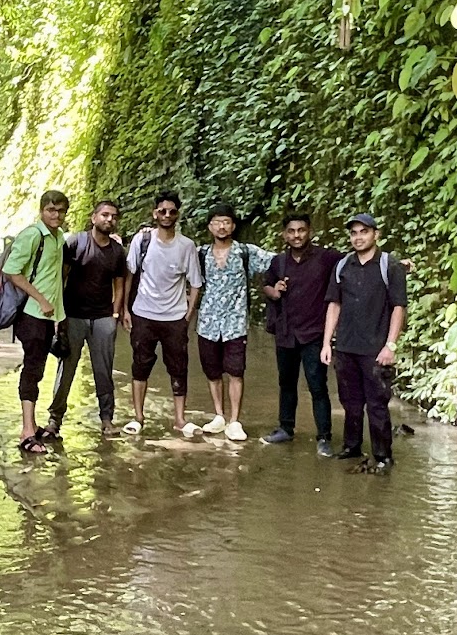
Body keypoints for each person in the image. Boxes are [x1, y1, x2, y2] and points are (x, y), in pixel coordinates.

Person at [321, 212, 407, 472]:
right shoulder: (343, 266)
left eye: (364, 232)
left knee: (378, 405)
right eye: (354, 233)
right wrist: (327, 342)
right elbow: (334, 305)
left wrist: (390, 345)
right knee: (350, 402)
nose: (358, 237)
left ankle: (383, 456)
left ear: (375, 235)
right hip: (346, 347)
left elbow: (398, 308)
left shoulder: (389, 266)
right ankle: (352, 447)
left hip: (375, 350)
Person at [260, 214, 341, 457]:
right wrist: (274, 291)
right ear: (284, 235)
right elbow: (266, 284)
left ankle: (324, 437)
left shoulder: (326, 258)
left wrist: (395, 265)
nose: (297, 235)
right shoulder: (279, 262)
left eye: (301, 230)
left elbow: (357, 261)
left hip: (313, 333)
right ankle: (286, 428)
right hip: (286, 332)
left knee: (317, 386)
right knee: (286, 383)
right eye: (292, 231)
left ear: (310, 232)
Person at [124, 190, 203, 438]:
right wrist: (125, 309)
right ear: (154, 213)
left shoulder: (186, 246)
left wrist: (188, 315)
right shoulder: (142, 240)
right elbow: (129, 274)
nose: (167, 215)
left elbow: (195, 284)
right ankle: (138, 417)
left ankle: (180, 419)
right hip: (143, 314)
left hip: (174, 318)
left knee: (179, 368)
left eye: (171, 211)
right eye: (162, 211)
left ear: (177, 215)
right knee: (140, 365)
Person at [45, 200, 127, 437]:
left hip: (102, 318)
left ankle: (107, 420)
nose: (108, 219)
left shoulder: (117, 252)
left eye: (113, 216)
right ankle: (54, 420)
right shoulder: (75, 242)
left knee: (104, 370)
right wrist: (59, 315)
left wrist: (115, 313)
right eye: (104, 215)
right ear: (93, 218)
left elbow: (119, 284)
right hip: (73, 316)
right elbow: (61, 278)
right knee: (66, 370)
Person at [194, 203, 272, 441]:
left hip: (235, 323)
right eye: (217, 221)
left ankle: (235, 421)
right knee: (212, 372)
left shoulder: (246, 252)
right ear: (210, 226)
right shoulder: (200, 254)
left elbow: (279, 263)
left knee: (236, 371)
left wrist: (277, 285)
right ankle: (218, 415)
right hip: (207, 322)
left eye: (226, 221)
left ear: (233, 226)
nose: (222, 226)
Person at [4, 189, 69, 455]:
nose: (56, 215)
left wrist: (57, 316)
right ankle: (26, 432)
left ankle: (32, 424)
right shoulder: (32, 235)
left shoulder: (59, 237)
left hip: (48, 316)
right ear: (42, 210)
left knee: (38, 369)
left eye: (61, 210)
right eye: (51, 210)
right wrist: (41, 300)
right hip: (31, 314)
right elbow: (12, 272)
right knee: (32, 369)